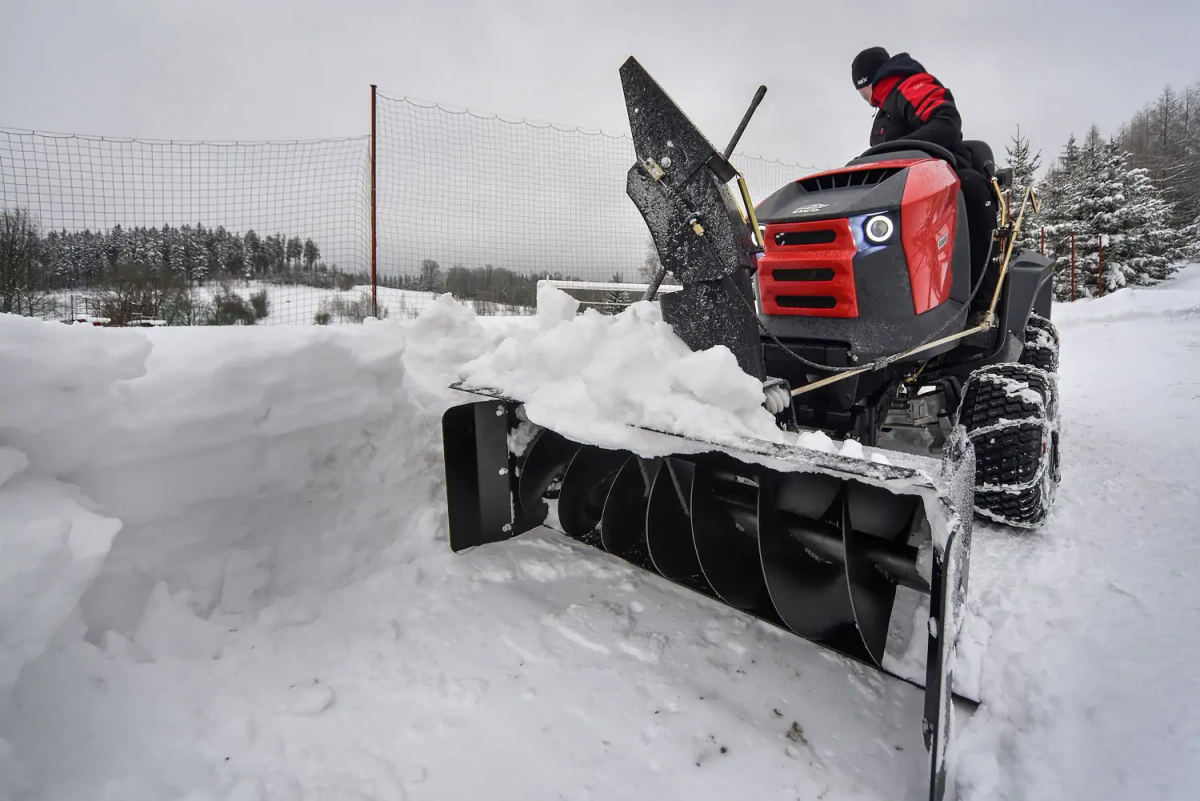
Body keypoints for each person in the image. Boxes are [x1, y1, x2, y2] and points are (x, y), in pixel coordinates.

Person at [851, 47, 997, 308]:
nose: (863, 97)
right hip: (905, 186)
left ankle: (983, 301)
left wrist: (901, 148)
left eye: (860, 90)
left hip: (944, 173)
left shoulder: (908, 84)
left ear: (866, 82)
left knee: (971, 192)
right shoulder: (885, 111)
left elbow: (946, 121)